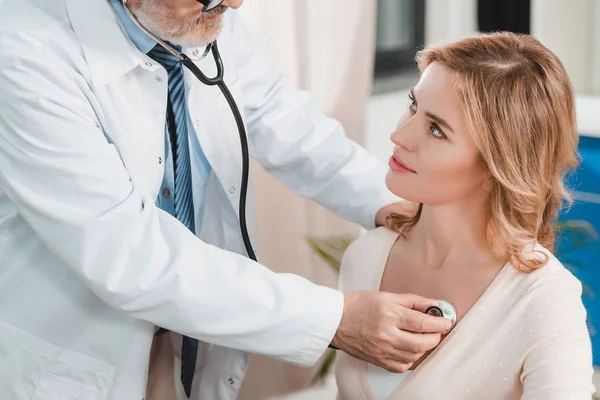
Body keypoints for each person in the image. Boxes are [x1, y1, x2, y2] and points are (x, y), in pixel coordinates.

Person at [0, 0, 454, 399]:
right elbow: (128, 255)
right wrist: (333, 319)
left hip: (186, 336)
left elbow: (287, 125)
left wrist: (406, 208)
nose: (233, 5)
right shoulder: (24, 53)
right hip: (76, 351)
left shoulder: (204, 16)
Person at [335, 32, 596, 399]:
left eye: (437, 129)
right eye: (413, 105)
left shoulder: (542, 299)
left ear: (498, 166)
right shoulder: (367, 257)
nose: (399, 135)